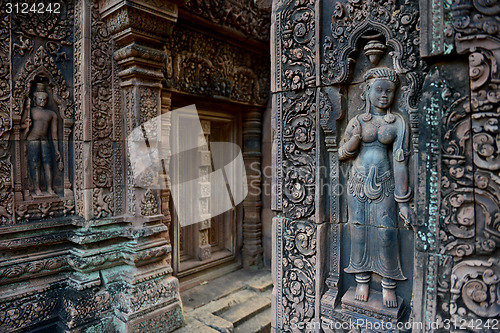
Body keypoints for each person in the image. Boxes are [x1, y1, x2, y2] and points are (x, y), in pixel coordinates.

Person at [339, 67, 412, 308]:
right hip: (358, 182)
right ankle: (362, 281)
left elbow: (400, 161)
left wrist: (403, 201)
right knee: (358, 231)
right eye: (379, 90)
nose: (384, 95)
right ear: (367, 90)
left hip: (386, 182)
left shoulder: (398, 122)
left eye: (389, 91)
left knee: (387, 232)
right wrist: (355, 139)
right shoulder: (358, 121)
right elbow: (342, 153)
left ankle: (388, 284)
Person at [24, 83, 62, 196]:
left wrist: (56, 150)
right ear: (35, 100)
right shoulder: (30, 111)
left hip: (45, 140)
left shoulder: (51, 114)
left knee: (48, 164)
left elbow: (54, 133)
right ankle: (37, 189)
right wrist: (26, 125)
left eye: (45, 99)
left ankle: (50, 188)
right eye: (40, 99)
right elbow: (20, 126)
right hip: (33, 139)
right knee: (35, 164)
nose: (43, 102)